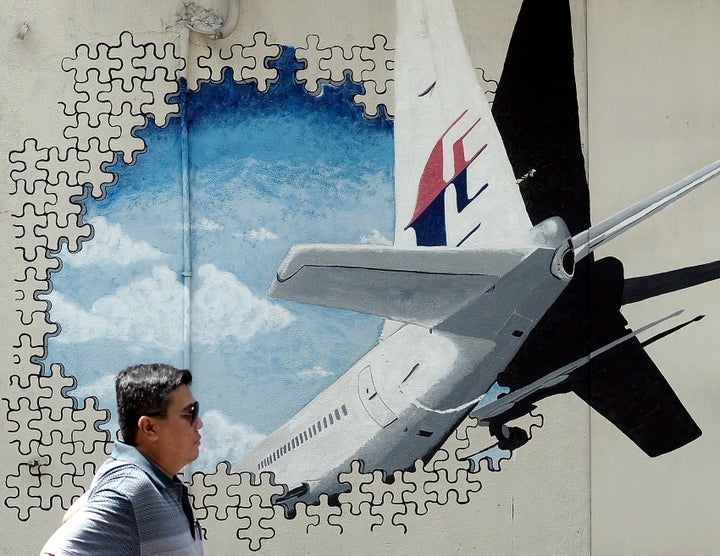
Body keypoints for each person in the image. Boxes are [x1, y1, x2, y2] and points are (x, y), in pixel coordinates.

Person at [41, 363, 204, 555]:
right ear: (149, 428)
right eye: (189, 413)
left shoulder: (143, 484)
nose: (199, 423)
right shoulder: (131, 489)